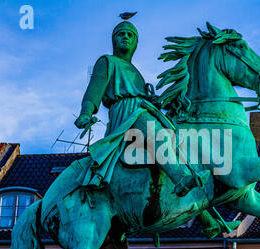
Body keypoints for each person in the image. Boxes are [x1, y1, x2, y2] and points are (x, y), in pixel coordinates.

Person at [74, 20, 209, 197]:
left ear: (136, 43)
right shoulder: (107, 61)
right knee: (157, 134)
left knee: (177, 138)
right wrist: (85, 113)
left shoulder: (135, 71)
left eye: (130, 35)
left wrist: (153, 100)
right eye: (121, 34)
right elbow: (93, 91)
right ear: (113, 40)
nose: (126, 37)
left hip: (142, 109)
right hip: (127, 113)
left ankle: (207, 218)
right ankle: (180, 179)